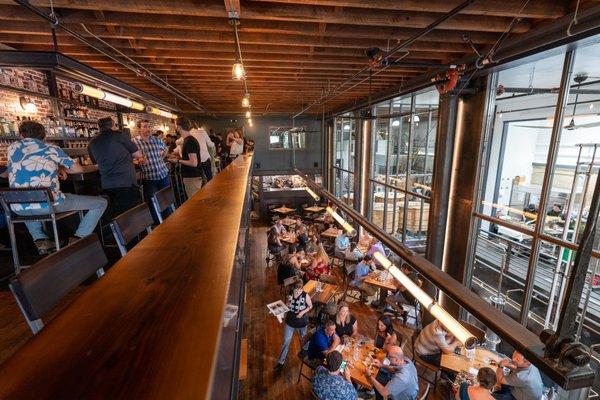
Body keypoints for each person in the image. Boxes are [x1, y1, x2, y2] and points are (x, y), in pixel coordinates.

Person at [8, 121, 108, 251]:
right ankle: (78, 239)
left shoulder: (11, 149)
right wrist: (63, 169)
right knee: (101, 203)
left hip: (17, 207)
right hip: (48, 205)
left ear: (21, 136)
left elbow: (12, 171)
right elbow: (79, 169)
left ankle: (40, 240)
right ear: (44, 137)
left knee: (27, 200)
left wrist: (56, 168)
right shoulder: (51, 149)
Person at [88, 117, 143, 217]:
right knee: (134, 214)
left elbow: (96, 165)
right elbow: (138, 154)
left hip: (108, 185)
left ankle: (120, 232)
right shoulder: (120, 136)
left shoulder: (92, 142)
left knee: (118, 216)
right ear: (113, 126)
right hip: (126, 182)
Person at [132, 120, 170, 222]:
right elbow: (130, 158)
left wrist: (163, 154)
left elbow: (166, 148)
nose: (148, 129)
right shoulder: (134, 142)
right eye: (145, 126)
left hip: (163, 173)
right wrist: (138, 162)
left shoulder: (156, 140)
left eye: (149, 126)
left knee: (166, 199)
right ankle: (158, 223)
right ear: (139, 128)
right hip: (149, 176)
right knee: (153, 202)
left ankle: (170, 220)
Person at [275, 281, 313, 370]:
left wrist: (302, 312)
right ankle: (281, 362)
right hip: (290, 320)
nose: (298, 292)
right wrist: (282, 307)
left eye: (300, 290)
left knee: (303, 337)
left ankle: (305, 350)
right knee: (286, 341)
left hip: (301, 321)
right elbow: (288, 304)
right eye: (297, 290)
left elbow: (310, 306)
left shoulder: (305, 295)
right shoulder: (290, 294)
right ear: (294, 289)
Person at [169, 117, 203, 198]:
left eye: (175, 126)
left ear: (179, 127)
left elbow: (194, 163)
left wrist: (178, 160)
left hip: (192, 177)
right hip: (193, 176)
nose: (175, 128)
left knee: (193, 204)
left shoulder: (189, 141)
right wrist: (178, 156)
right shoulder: (188, 140)